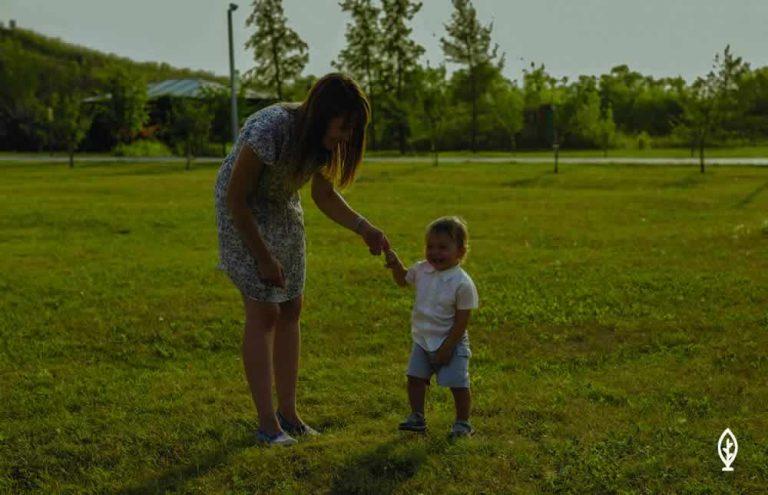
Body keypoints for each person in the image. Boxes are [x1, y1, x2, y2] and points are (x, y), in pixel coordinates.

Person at [213, 73, 390, 446]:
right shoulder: (271, 128)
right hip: (241, 211)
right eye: (343, 127)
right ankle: (267, 426)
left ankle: (288, 415)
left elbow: (323, 196)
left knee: (291, 307)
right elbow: (235, 197)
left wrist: (364, 228)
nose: (346, 137)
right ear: (323, 114)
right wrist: (263, 258)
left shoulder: (320, 142)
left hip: (281, 207)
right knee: (265, 312)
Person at [384, 216, 479, 438]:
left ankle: (463, 423)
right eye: (430, 246)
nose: (435, 252)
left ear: (461, 251)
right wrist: (396, 265)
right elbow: (403, 280)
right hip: (423, 339)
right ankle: (417, 417)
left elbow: (462, 322)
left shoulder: (462, 283)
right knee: (415, 378)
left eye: (443, 247)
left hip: (451, 341)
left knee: (458, 384)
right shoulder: (422, 270)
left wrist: (448, 347)